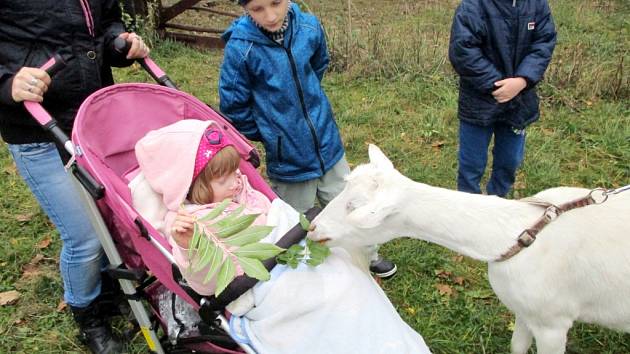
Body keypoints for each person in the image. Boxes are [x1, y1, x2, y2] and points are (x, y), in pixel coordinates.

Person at [134, 119, 432, 354]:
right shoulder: (191, 225)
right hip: (267, 287)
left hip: (294, 255)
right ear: (194, 185)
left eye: (237, 171)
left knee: (350, 283)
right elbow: (205, 283)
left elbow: (279, 216)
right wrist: (188, 249)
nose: (238, 181)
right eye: (225, 179)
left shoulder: (242, 192)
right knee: (328, 308)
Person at [0, 2, 149, 353]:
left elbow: (106, 24)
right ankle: (87, 314)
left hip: (93, 119)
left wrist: (120, 43)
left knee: (111, 214)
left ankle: (110, 289)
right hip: (38, 130)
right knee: (84, 236)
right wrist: (7, 82)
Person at [218, 0, 396, 278]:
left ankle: (367, 255)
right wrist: (269, 132)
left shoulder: (309, 28)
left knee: (350, 202)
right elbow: (233, 106)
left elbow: (318, 65)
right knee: (294, 219)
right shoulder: (241, 49)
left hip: (327, 144)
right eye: (258, 9)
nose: (271, 15)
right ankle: (300, 272)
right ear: (245, 9)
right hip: (288, 156)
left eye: (276, 3)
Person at [448, 0, 557, 197]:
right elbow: (462, 50)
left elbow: (543, 43)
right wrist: (497, 84)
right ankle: (467, 205)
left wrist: (522, 80)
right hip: (478, 103)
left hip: (519, 102)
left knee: (509, 161)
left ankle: (498, 200)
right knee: (471, 164)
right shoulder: (473, 6)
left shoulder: (537, 5)